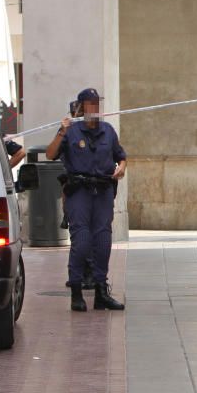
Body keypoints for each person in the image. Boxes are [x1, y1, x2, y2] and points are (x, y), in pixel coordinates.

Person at [46, 87, 127, 312]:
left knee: (103, 242)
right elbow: (50, 154)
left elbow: (121, 156)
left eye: (97, 104)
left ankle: (101, 291)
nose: (95, 108)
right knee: (81, 241)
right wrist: (61, 131)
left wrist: (121, 168)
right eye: (90, 104)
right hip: (79, 191)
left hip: (102, 191)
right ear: (81, 107)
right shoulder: (70, 131)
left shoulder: (108, 131)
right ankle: (76, 291)